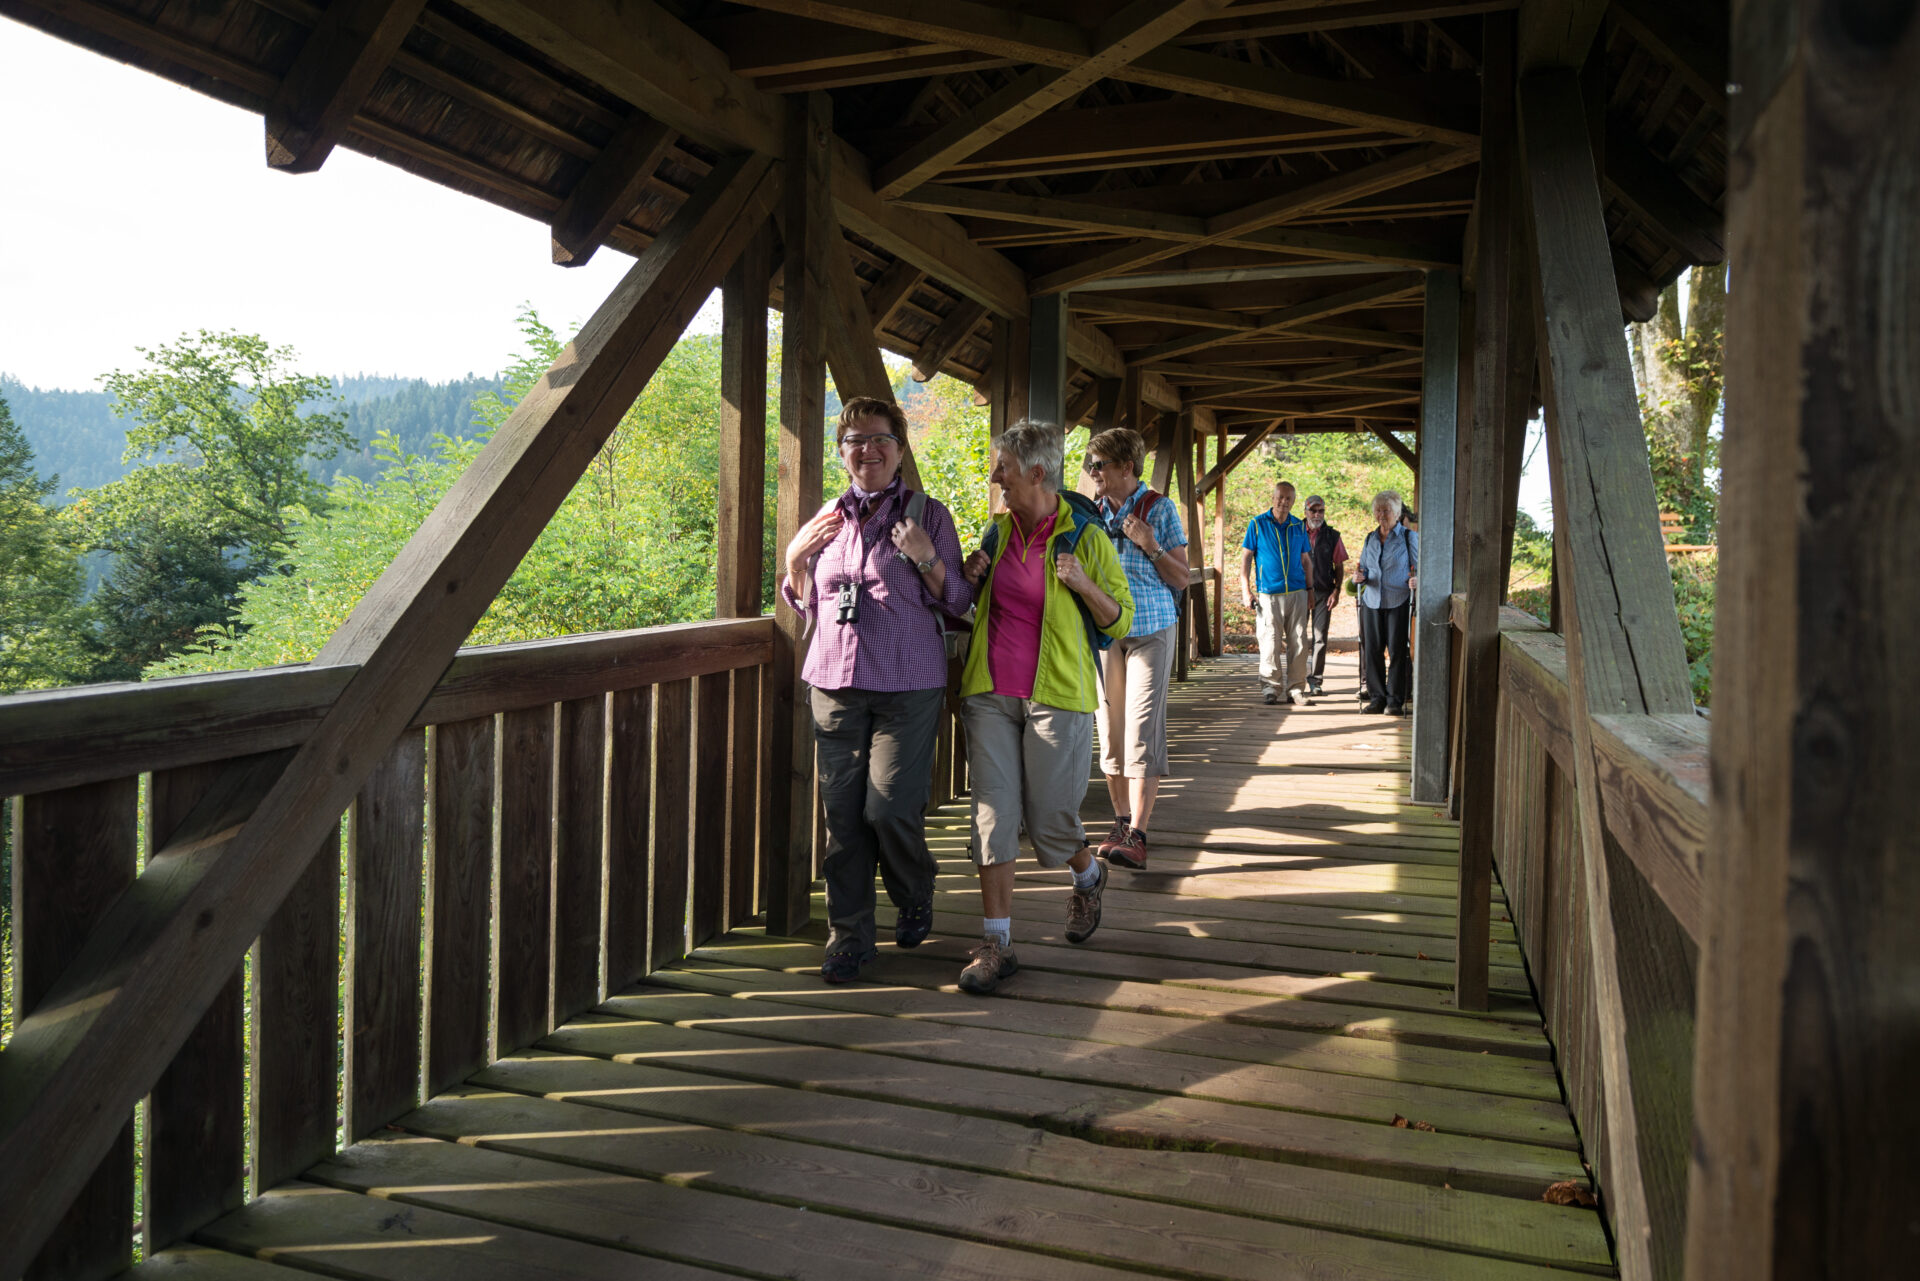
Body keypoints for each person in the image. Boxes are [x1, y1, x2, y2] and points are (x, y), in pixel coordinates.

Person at [779, 397, 973, 984]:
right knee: (843, 819)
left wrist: (927, 559)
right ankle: (851, 939)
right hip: (835, 681)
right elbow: (805, 602)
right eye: (854, 441)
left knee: (887, 807)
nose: (867, 449)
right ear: (841, 453)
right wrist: (792, 562)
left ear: (900, 447)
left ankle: (915, 890)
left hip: (908, 684)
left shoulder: (927, 514)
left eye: (879, 438)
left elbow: (960, 599)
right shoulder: (827, 518)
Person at [956, 420, 1133, 995]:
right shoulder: (997, 532)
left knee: (1051, 818)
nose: (994, 477)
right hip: (990, 693)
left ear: (1036, 472)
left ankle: (1087, 875)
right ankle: (997, 943)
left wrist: (1083, 583)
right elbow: (966, 603)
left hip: (1058, 693)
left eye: (1001, 468)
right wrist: (967, 574)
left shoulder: (1087, 537)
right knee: (993, 817)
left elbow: (1119, 619)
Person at [1083, 427, 1188, 871]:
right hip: (1109, 632)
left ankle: (1138, 834)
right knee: (1110, 731)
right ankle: (1120, 822)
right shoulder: (1091, 513)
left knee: (1142, 729)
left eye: (1099, 465)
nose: (1093, 473)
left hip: (1150, 630)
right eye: (1090, 466)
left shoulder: (1159, 508)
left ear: (1127, 466)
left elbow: (1181, 577)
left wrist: (1151, 543)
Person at [1240, 480, 1314, 706]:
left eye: (1289, 498)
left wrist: (1310, 591)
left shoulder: (1299, 526)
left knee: (1299, 641)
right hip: (1268, 593)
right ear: (1273, 498)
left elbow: (1306, 562)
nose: (1284, 502)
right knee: (1269, 641)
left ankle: (1296, 689)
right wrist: (1246, 589)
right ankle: (1270, 688)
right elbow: (1246, 558)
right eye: (1280, 497)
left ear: (1293, 502)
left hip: (1297, 592)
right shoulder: (1257, 524)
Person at [1353, 490, 1419, 716]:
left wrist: (1416, 579)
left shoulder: (1409, 538)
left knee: (1398, 651)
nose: (1382, 515)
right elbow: (1362, 568)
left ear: (1398, 513)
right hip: (1371, 601)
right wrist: (1358, 578)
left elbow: (1420, 568)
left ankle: (1394, 701)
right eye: (1378, 510)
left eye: (1387, 510)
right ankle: (1377, 698)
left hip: (1398, 600)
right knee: (1371, 650)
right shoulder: (1370, 538)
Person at [1300, 495, 1348, 699]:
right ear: (1305, 512)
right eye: (1313, 510)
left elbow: (1339, 565)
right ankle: (1296, 679)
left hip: (1323, 591)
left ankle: (1316, 680)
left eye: (1321, 511)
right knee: (1298, 637)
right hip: (1298, 591)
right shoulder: (1294, 530)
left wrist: (1336, 590)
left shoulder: (1332, 535)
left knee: (1320, 638)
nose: (1317, 515)